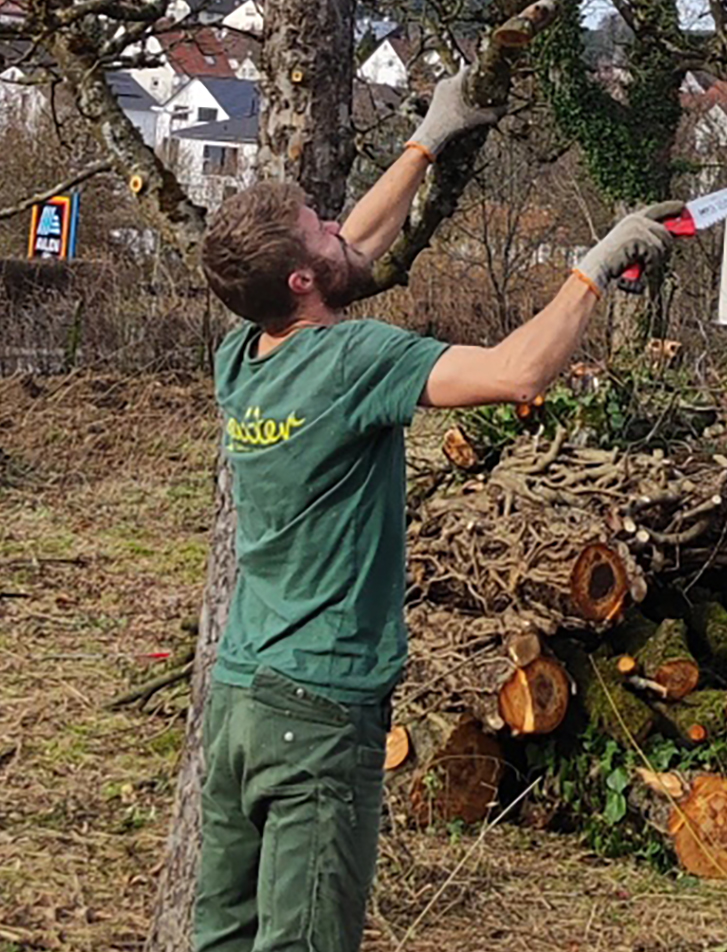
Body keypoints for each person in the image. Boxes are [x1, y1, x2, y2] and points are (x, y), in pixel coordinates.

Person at [193, 67, 682, 952]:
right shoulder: (351, 363)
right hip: (320, 708)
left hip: (240, 701)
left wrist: (430, 135)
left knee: (222, 938)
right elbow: (515, 372)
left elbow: (351, 250)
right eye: (319, 229)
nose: (339, 229)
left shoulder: (245, 356)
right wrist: (594, 267)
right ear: (302, 281)